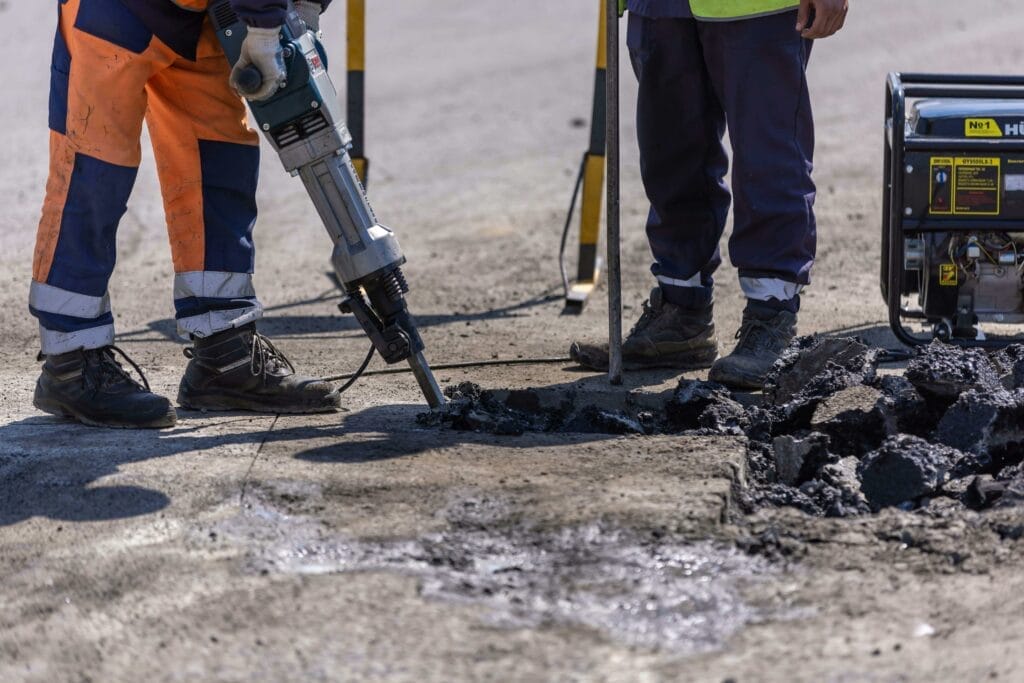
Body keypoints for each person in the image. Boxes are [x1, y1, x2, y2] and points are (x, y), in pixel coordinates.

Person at [30, 0, 339, 429]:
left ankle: (224, 353)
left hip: (204, 15)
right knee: (93, 170)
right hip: (114, 10)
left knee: (216, 161)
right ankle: (71, 361)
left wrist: (303, 7)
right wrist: (266, 28)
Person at [571, 0, 848, 389]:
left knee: (767, 157)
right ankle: (681, 313)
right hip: (660, 7)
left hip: (757, 8)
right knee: (670, 152)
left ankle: (771, 316)